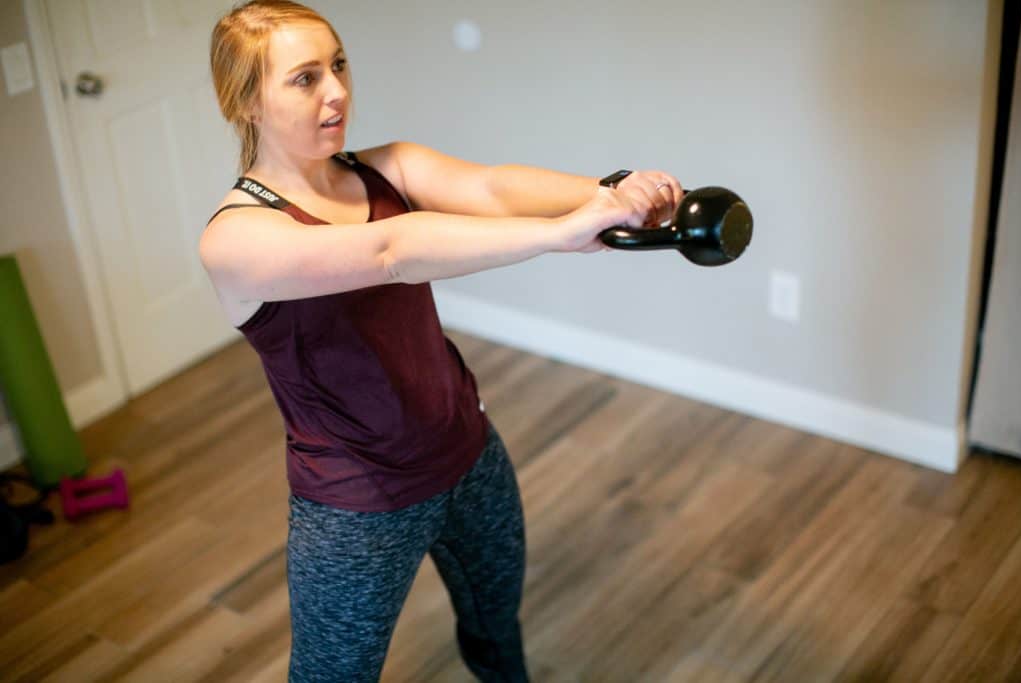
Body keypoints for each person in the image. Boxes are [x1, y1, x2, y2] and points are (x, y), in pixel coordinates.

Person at [201, 2, 683, 681]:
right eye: (304, 78)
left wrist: (609, 192)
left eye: (338, 65)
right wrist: (562, 232)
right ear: (246, 101)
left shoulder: (387, 168)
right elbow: (392, 251)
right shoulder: (236, 239)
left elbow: (492, 185)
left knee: (495, 629)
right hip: (355, 508)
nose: (337, 90)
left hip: (469, 453)